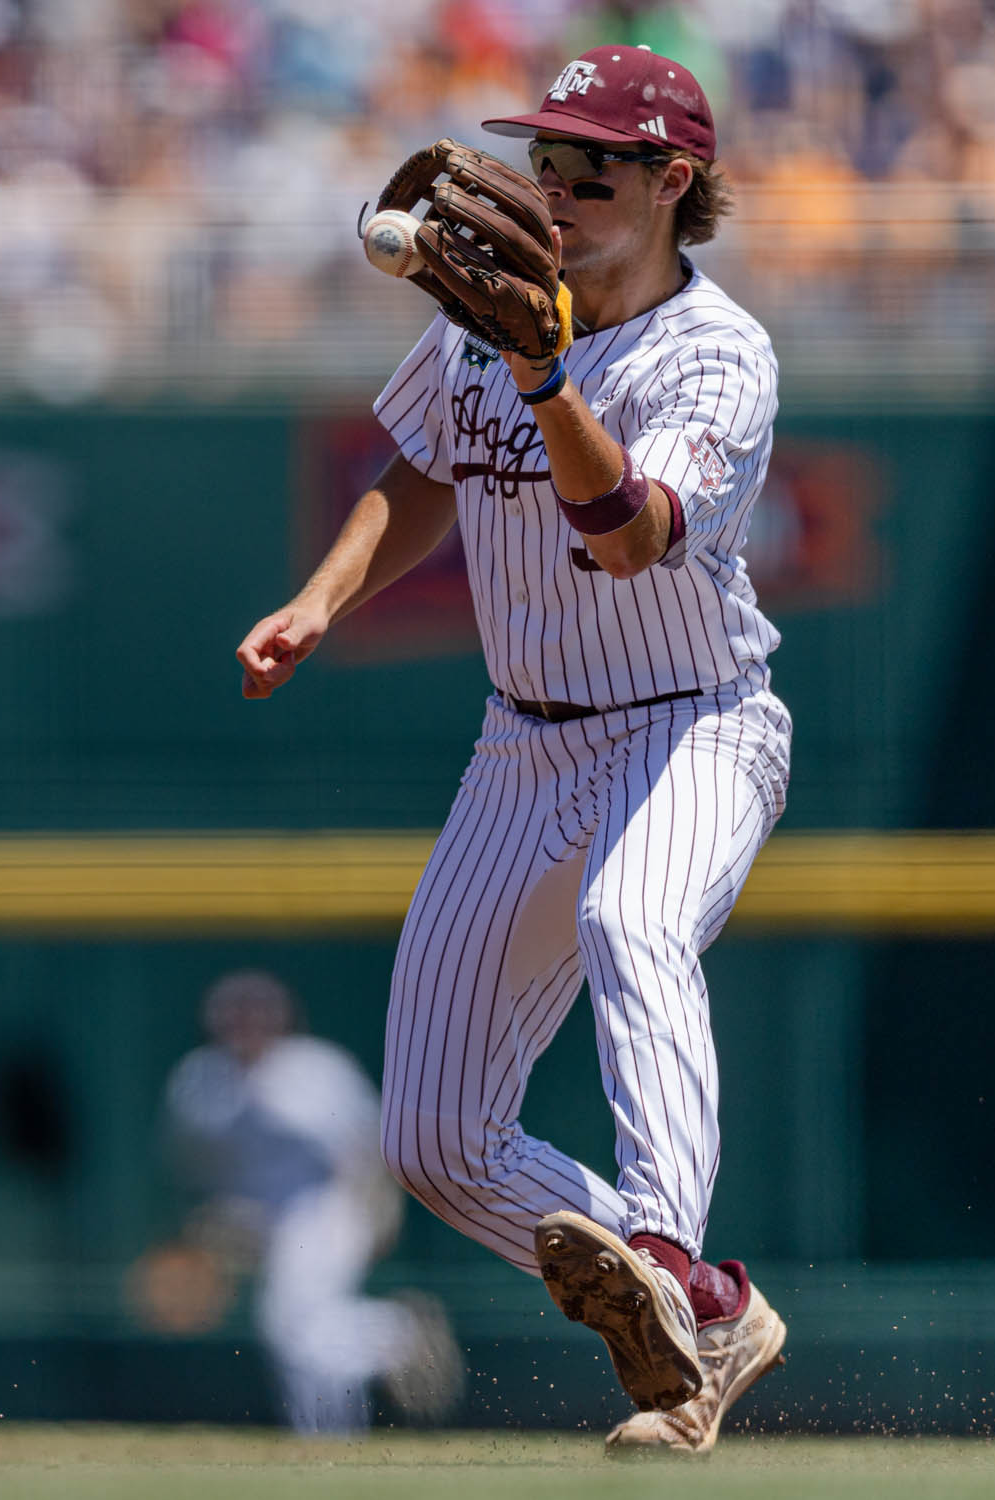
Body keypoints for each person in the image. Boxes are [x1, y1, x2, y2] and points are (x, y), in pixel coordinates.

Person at [236, 46, 790, 1454]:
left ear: (672, 182)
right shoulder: (489, 320)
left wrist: (549, 375)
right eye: (543, 160)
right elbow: (416, 476)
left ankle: (664, 1247)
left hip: (692, 723)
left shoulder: (716, 353)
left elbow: (629, 540)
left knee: (631, 921)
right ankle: (707, 1311)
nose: (550, 187)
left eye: (589, 166)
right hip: (520, 743)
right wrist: (318, 600)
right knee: (431, 1140)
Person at [152, 969, 462, 1434]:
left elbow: (369, 1150)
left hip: (328, 1209)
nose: (244, 1023)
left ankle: (394, 1336)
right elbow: (190, 1164)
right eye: (233, 1014)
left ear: (282, 1019)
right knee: (294, 1332)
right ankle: (331, 1435)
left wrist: (378, 1215)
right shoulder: (199, 1080)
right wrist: (210, 1225)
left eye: (257, 1013)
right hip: (257, 1220)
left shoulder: (315, 1070)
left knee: (288, 1322)